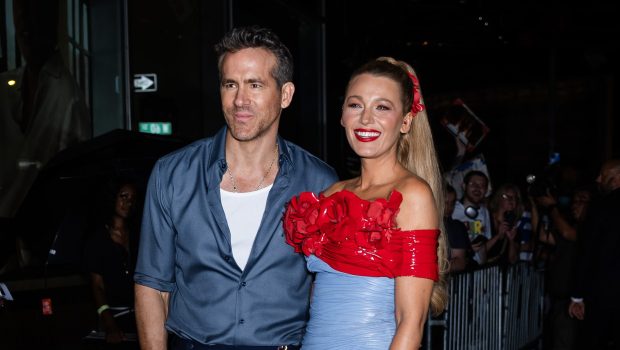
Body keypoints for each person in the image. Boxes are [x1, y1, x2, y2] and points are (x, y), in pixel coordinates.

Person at [133, 26, 337, 350]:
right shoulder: (173, 174)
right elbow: (152, 286)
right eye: (230, 84)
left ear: (286, 94)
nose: (240, 100)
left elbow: (327, 289)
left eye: (255, 85)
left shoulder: (320, 183)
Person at [284, 57, 447, 349]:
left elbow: (411, 321)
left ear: (406, 121)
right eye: (355, 105)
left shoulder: (413, 195)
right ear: (343, 116)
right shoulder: (331, 195)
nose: (366, 119)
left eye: (382, 107)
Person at [0, 0, 91, 218]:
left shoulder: (68, 99)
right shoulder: (7, 86)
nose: (24, 24)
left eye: (32, 12)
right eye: (19, 11)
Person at [568, 159, 620, 349]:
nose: (598, 179)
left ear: (615, 177)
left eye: (603, 175)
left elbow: (588, 251)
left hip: (604, 296)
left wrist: (577, 296)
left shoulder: (601, 206)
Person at [535, 186, 592, 350]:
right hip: (560, 300)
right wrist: (535, 204)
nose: (575, 205)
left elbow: (567, 233)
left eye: (582, 201)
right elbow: (542, 235)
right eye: (574, 201)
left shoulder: (590, 228)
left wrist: (552, 207)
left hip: (575, 300)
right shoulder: (571, 226)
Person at [85, 178, 140, 347]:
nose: (128, 202)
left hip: (140, 315)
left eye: (132, 198)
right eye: (123, 196)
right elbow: (97, 286)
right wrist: (110, 324)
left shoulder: (138, 233)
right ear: (111, 198)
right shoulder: (97, 238)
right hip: (114, 317)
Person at [487, 183, 522, 264]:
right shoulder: (486, 218)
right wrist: (498, 236)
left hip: (502, 273)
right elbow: (479, 251)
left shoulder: (514, 227)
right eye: (507, 197)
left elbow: (513, 260)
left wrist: (511, 240)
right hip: (483, 271)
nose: (511, 200)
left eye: (515, 198)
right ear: (498, 198)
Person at [444, 184, 474, 272]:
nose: (449, 207)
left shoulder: (457, 227)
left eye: (452, 203)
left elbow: (460, 263)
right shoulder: (422, 223)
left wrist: (428, 269)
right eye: (445, 202)